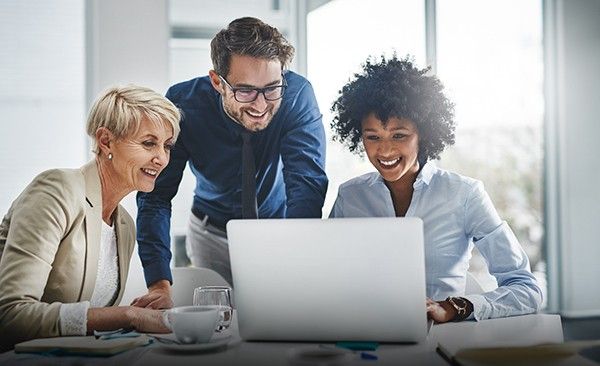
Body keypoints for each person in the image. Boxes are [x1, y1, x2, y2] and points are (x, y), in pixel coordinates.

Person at [329, 55, 542, 322]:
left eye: (399, 135)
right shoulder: (350, 197)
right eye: (373, 137)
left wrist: (455, 307)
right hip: (366, 333)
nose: (384, 150)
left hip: (441, 341)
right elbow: (329, 278)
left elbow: (527, 289)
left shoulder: (465, 194)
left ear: (424, 134)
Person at [135, 16, 328, 303]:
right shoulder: (183, 105)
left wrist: (295, 258)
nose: (261, 105)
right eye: (246, 91)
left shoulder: (297, 95)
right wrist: (159, 283)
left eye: (272, 88)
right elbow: (155, 196)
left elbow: (306, 184)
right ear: (217, 82)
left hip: (280, 229)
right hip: (210, 232)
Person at [0, 85, 181, 349]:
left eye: (167, 146)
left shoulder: (124, 226)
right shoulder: (56, 191)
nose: (162, 158)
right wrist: (128, 316)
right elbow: (10, 315)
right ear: (105, 141)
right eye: (148, 143)